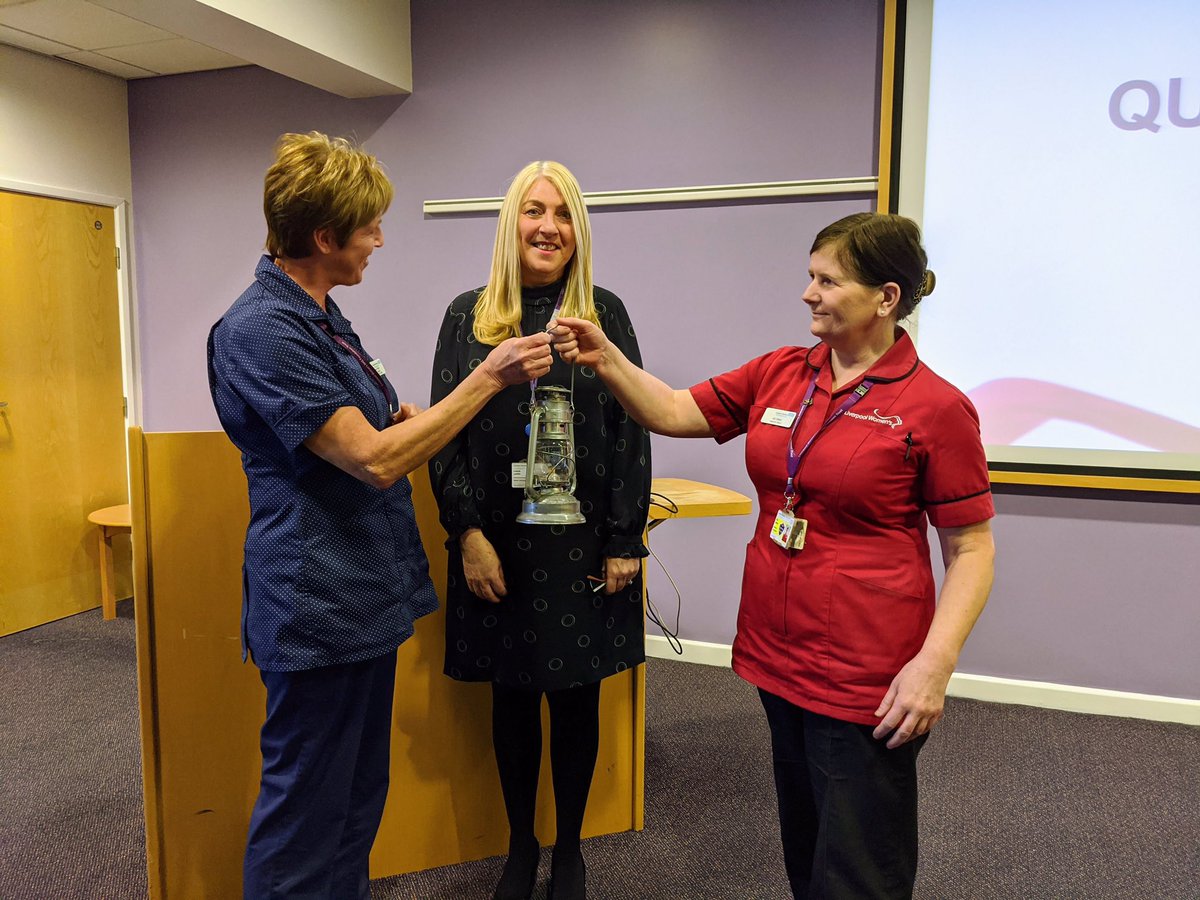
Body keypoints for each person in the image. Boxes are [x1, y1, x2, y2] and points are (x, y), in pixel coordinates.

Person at [552, 212, 995, 899]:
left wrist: (932, 667)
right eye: (809, 277)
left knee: (859, 867)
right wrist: (606, 356)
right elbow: (672, 409)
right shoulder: (782, 373)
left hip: (866, 673)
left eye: (827, 280)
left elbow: (970, 548)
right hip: (777, 653)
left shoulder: (936, 408)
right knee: (806, 844)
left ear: (886, 296)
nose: (808, 293)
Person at [207, 132, 554, 900]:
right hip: (315, 607)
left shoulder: (318, 312)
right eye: (369, 227)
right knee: (305, 813)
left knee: (355, 802)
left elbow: (372, 430)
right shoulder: (262, 328)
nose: (380, 240)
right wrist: (486, 380)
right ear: (324, 237)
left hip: (360, 598)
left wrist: (402, 419)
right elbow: (374, 460)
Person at [429, 161, 651, 900]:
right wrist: (466, 534)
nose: (548, 226)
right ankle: (521, 846)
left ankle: (571, 851)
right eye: (533, 210)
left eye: (562, 213)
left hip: (580, 544)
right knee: (513, 697)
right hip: (498, 544)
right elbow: (444, 434)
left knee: (577, 697)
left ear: (578, 230)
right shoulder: (468, 316)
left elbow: (630, 430)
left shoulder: (603, 314)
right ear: (510, 224)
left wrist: (625, 539)